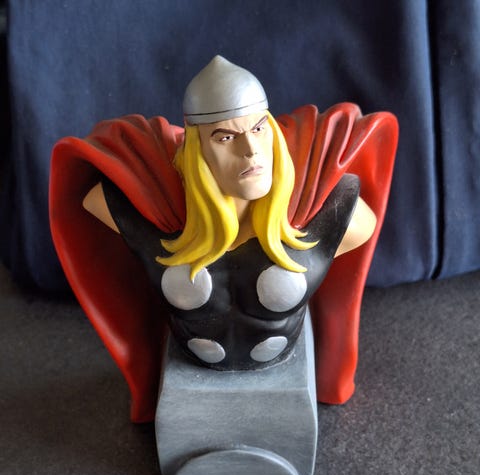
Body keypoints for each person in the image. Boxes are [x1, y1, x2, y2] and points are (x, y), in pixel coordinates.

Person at [50, 56, 398, 423]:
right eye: (226, 137)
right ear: (196, 150)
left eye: (259, 129)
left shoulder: (327, 213)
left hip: (281, 377)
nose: (250, 150)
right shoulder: (152, 214)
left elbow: (363, 226)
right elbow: (91, 198)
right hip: (190, 373)